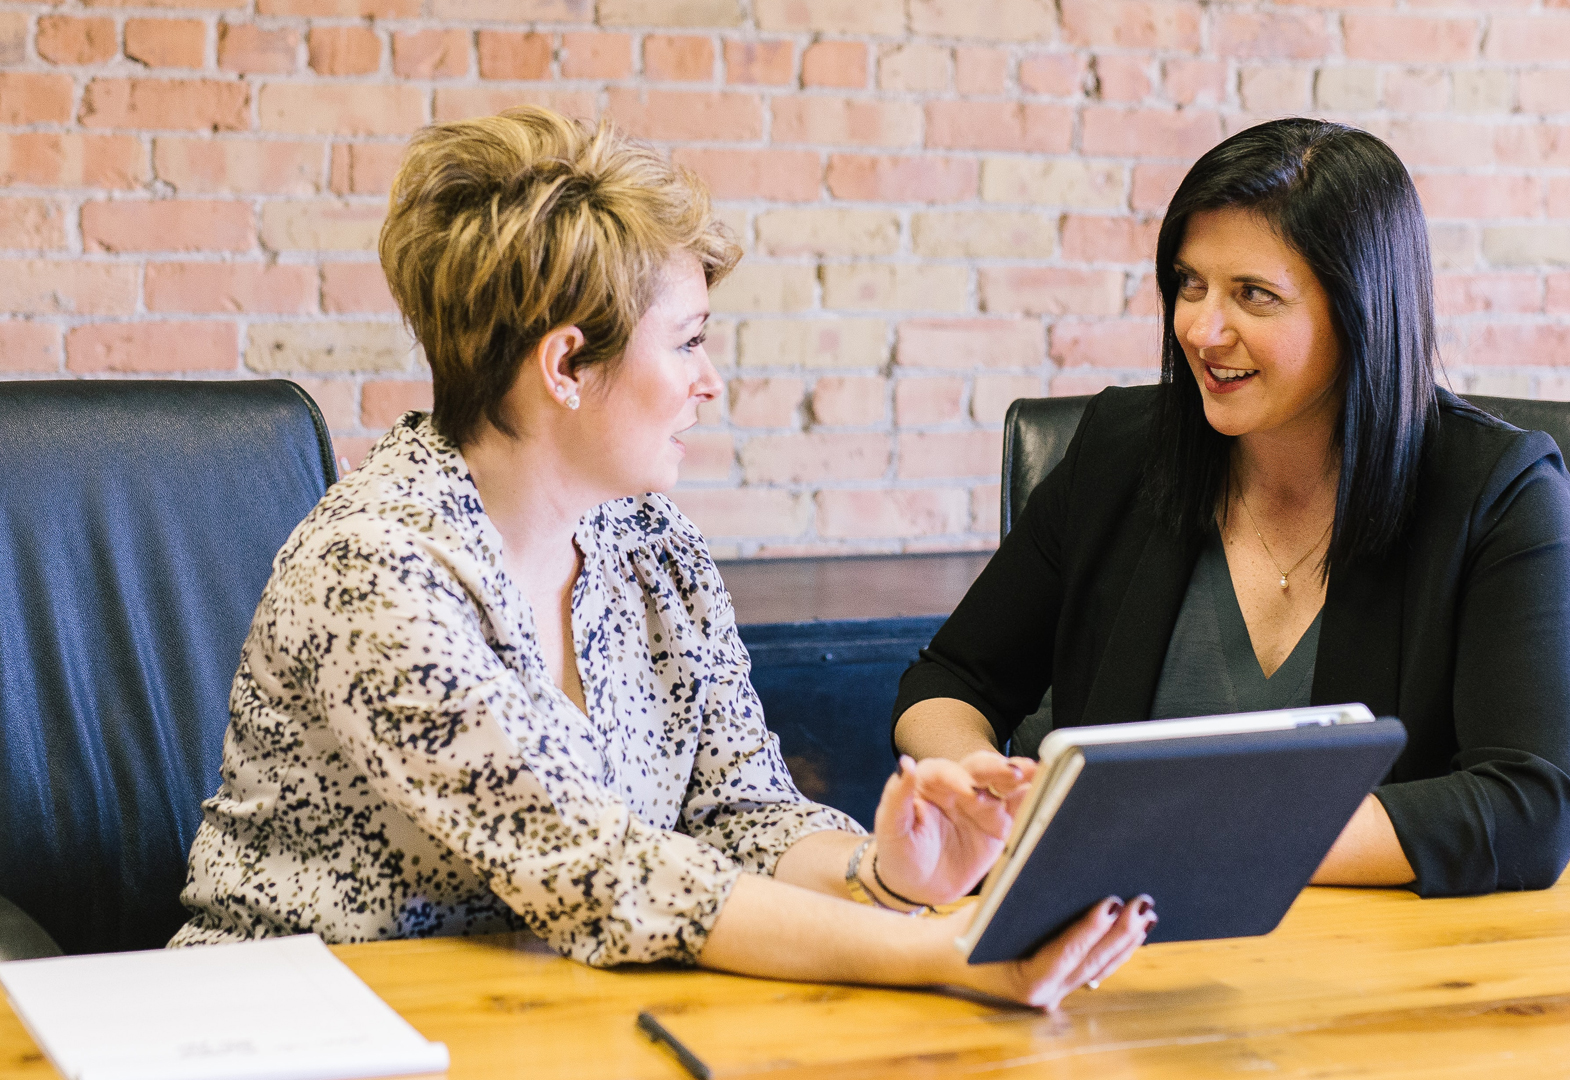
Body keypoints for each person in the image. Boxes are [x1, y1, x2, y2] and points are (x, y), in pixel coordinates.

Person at [170, 107, 1151, 1007]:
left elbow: (739, 812)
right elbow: (605, 871)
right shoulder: (377, 570)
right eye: (686, 343)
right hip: (297, 1025)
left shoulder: (646, 541)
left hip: (550, 1015)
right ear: (566, 365)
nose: (710, 383)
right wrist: (946, 953)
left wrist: (887, 875)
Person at [894, 119, 1570, 898]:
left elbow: (1530, 801)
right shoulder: (1121, 452)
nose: (1201, 328)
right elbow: (950, 679)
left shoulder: (1499, 490)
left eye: (1253, 295)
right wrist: (975, 783)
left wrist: (1187, 839)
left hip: (1383, 962)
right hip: (1112, 949)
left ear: (1359, 308)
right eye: (1190, 285)